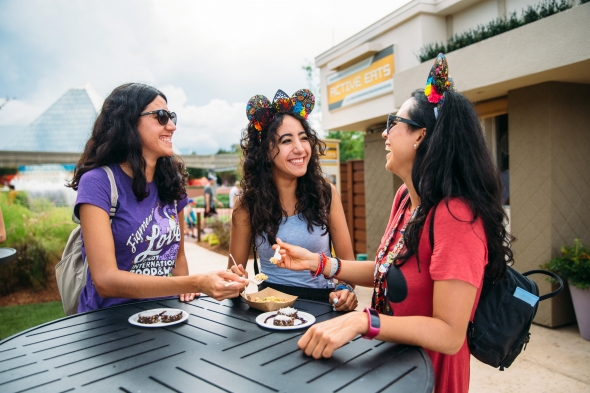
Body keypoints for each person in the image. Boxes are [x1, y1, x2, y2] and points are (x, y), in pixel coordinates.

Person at [273, 55, 514, 392]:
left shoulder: (457, 217)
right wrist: (318, 263)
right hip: (391, 367)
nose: (385, 132)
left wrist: (362, 321)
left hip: (430, 379)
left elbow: (448, 333)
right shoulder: (405, 198)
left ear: (419, 136)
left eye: (393, 121)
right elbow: (388, 271)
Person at [67, 83, 247, 313]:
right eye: (161, 116)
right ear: (128, 122)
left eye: (171, 117)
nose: (171, 126)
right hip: (110, 324)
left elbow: (178, 257)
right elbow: (105, 280)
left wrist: (186, 302)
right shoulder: (98, 182)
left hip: (164, 316)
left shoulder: (172, 183)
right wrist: (196, 283)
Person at [228, 89, 357, 311]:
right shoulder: (247, 204)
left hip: (322, 308)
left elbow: (349, 269)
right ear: (266, 151)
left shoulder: (326, 194)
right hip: (269, 310)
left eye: (304, 138)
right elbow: (233, 281)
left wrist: (346, 291)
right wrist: (234, 280)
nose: (300, 148)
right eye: (287, 141)